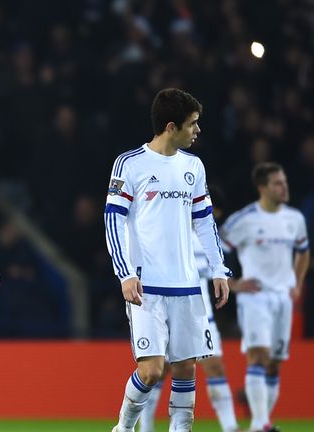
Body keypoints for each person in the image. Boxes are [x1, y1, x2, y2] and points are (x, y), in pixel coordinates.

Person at [104, 88, 231, 432]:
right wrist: (125, 274)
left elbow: (204, 221)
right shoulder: (130, 164)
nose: (197, 131)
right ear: (171, 126)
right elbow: (113, 220)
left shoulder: (194, 167)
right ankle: (124, 427)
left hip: (187, 285)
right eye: (193, 124)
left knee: (186, 369)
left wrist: (218, 269)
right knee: (151, 370)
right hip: (147, 285)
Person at [138, 187, 241, 432]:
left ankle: (231, 428)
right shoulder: (172, 235)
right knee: (159, 371)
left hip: (202, 314)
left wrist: (236, 285)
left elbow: (216, 275)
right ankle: (147, 427)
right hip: (173, 311)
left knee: (214, 365)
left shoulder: (212, 242)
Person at [220, 162, 310, 432]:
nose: (284, 187)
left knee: (274, 364)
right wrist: (232, 284)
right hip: (255, 298)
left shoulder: (295, 219)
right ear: (262, 188)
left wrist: (297, 283)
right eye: (278, 183)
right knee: (259, 355)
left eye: (284, 182)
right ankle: (260, 424)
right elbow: (213, 249)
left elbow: (303, 251)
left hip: (283, 298)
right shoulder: (244, 220)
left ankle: (262, 422)